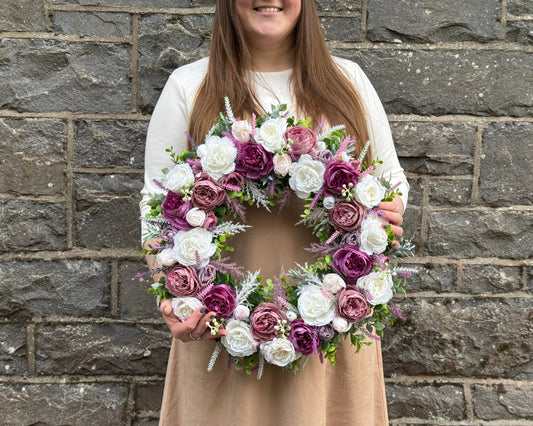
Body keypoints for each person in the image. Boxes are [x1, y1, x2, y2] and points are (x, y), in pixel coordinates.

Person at [139, 1, 408, 425]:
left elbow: (392, 181)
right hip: (221, 327)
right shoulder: (190, 85)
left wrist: (390, 206)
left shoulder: (348, 81)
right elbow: (155, 208)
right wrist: (175, 297)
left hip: (333, 325)